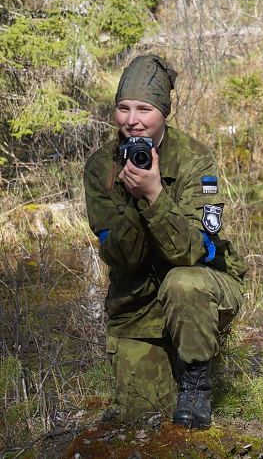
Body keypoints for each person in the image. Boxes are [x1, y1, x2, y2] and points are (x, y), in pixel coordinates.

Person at [84, 54, 247, 429]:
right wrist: (131, 196)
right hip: (138, 303)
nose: (132, 119)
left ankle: (197, 382)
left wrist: (155, 194)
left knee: (183, 282)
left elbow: (191, 252)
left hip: (200, 285)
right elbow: (121, 257)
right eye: (123, 108)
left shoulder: (194, 159)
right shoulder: (100, 167)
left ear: (164, 112)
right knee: (142, 417)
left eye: (145, 108)